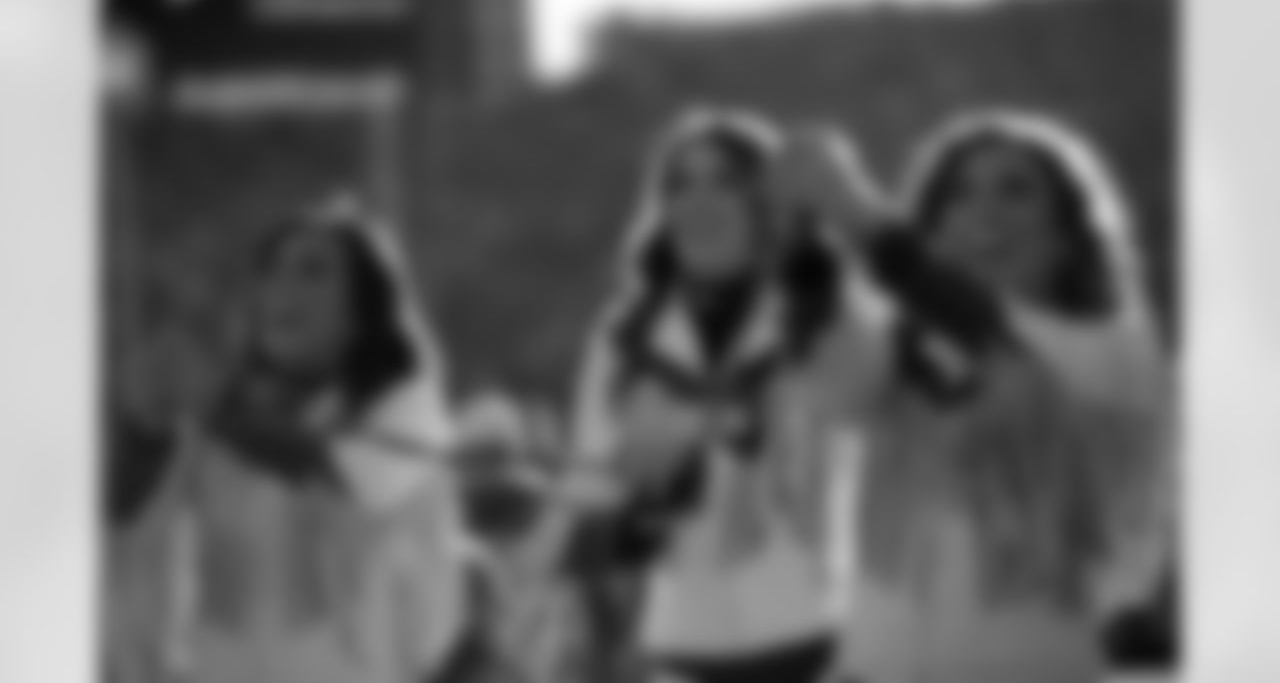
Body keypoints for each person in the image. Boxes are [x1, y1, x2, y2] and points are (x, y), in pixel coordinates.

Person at [778, 112, 1175, 683]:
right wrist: (805, 258)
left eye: (1016, 190)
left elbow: (998, 340)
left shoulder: (1115, 358)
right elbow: (838, 387)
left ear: (1070, 237)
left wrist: (855, 213)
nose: (985, 210)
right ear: (934, 231)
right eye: (959, 194)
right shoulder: (903, 349)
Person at [559, 108, 880, 683]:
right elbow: (590, 498)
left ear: (769, 203)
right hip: (680, 645)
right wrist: (641, 511)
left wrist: (721, 422)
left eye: (725, 182)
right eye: (679, 185)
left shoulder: (826, 311)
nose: (697, 203)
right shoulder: (626, 334)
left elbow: (865, 402)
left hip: (827, 636)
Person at [142, 194, 489, 683]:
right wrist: (140, 424)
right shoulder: (222, 431)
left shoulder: (411, 409)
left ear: (360, 314)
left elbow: (334, 473)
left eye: (313, 271)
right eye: (273, 270)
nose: (283, 288)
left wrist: (207, 407)